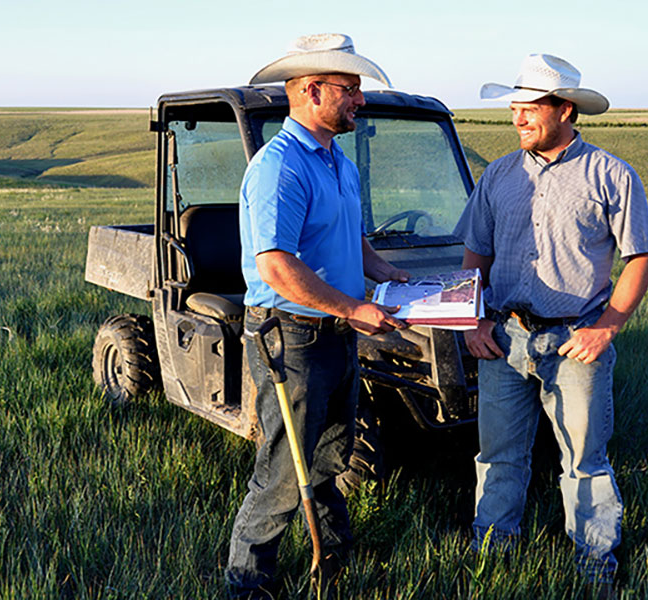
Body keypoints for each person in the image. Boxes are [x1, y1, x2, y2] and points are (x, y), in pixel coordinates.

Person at [459, 54, 648, 588]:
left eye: (530, 109)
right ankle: (492, 557)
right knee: (498, 456)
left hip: (577, 340)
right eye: (515, 109)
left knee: (584, 462)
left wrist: (608, 325)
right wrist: (475, 321)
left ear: (565, 109)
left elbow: (641, 257)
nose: (519, 119)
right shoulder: (499, 174)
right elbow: (476, 254)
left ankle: (596, 569)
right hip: (505, 338)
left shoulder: (611, 174)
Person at [226, 33, 411, 598]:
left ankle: (332, 560)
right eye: (350, 90)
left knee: (332, 454)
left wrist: (392, 276)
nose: (359, 100)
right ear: (312, 90)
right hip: (293, 339)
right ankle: (246, 581)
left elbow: (350, 243)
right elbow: (277, 267)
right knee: (284, 472)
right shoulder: (279, 167)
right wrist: (355, 307)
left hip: (335, 336)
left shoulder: (337, 162)